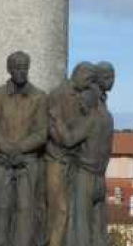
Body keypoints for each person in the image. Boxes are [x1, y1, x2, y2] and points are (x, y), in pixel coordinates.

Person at [0, 51, 48, 246]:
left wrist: (20, 148)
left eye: (24, 68)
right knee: (0, 208)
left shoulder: (39, 97)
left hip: (27, 162)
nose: (21, 72)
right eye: (17, 68)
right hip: (2, 160)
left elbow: (42, 132)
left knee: (25, 210)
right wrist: (6, 148)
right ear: (9, 69)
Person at [45, 62, 96, 246]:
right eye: (88, 80)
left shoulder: (84, 96)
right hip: (57, 158)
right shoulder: (58, 94)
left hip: (73, 160)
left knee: (68, 209)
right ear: (79, 75)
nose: (89, 84)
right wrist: (63, 143)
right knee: (59, 208)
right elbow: (50, 126)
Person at [49, 85, 106, 246]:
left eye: (81, 103)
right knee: (97, 228)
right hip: (100, 179)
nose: (79, 107)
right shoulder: (107, 120)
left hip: (87, 176)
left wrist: (58, 119)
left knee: (81, 227)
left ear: (88, 103)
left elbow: (69, 140)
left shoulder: (91, 120)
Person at [91, 62, 116, 246]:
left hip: (99, 167)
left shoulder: (102, 99)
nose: (112, 81)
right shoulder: (91, 100)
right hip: (91, 165)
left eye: (113, 77)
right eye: (108, 77)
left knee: (99, 212)